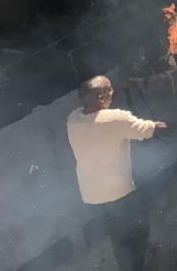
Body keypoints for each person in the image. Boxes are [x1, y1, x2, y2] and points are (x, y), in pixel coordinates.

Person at [67, 76, 166, 271]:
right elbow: (149, 129)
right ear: (102, 96)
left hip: (92, 197)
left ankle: (127, 265)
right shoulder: (116, 118)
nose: (113, 93)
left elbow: (97, 112)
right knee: (138, 232)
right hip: (119, 194)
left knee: (117, 236)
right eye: (110, 90)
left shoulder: (73, 119)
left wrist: (114, 88)